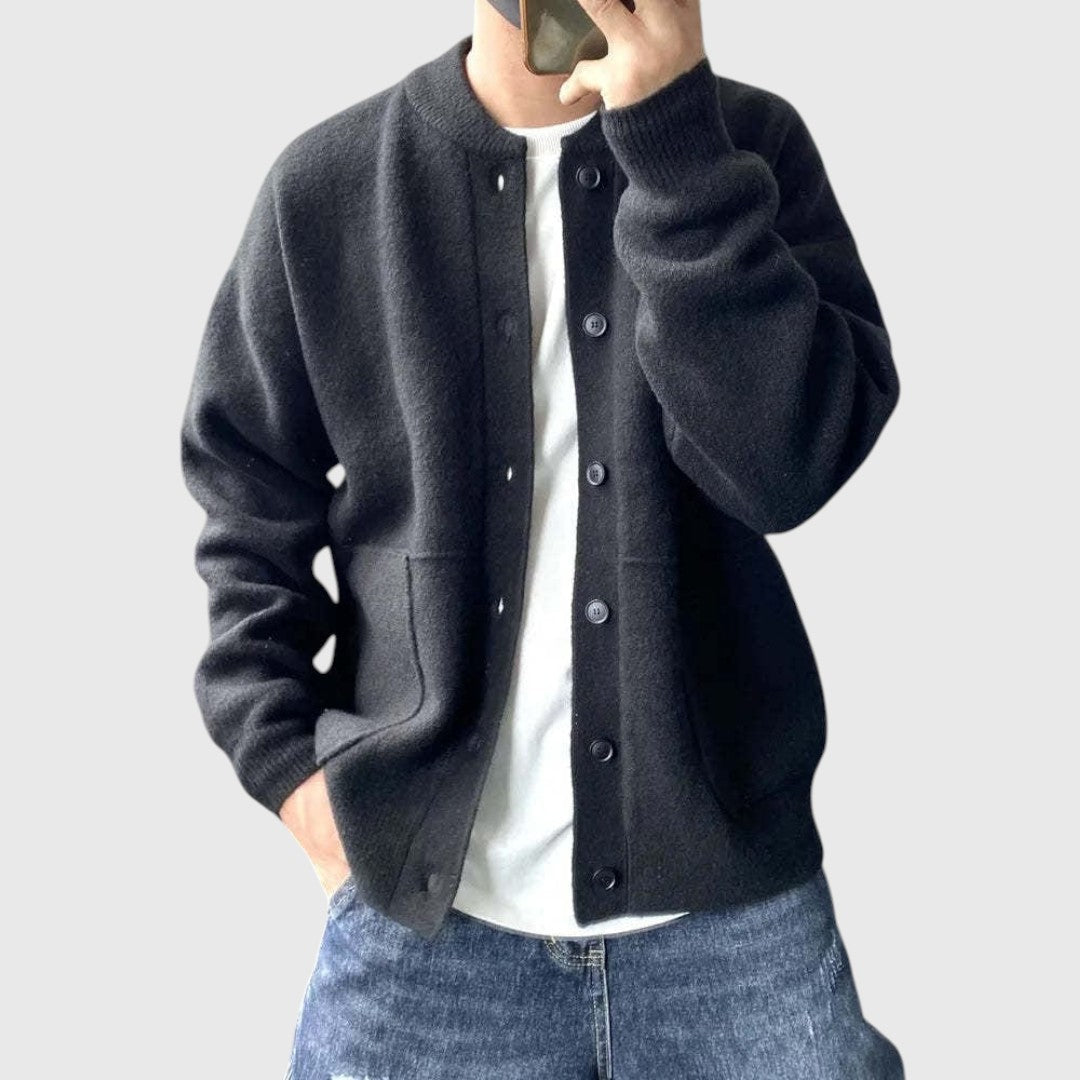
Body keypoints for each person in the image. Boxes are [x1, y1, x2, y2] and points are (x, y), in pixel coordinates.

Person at [180, 0, 905, 1076]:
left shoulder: (746, 149)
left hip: (733, 914)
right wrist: (289, 765)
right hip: (425, 922)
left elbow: (786, 469)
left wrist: (675, 146)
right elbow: (244, 489)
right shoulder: (328, 184)